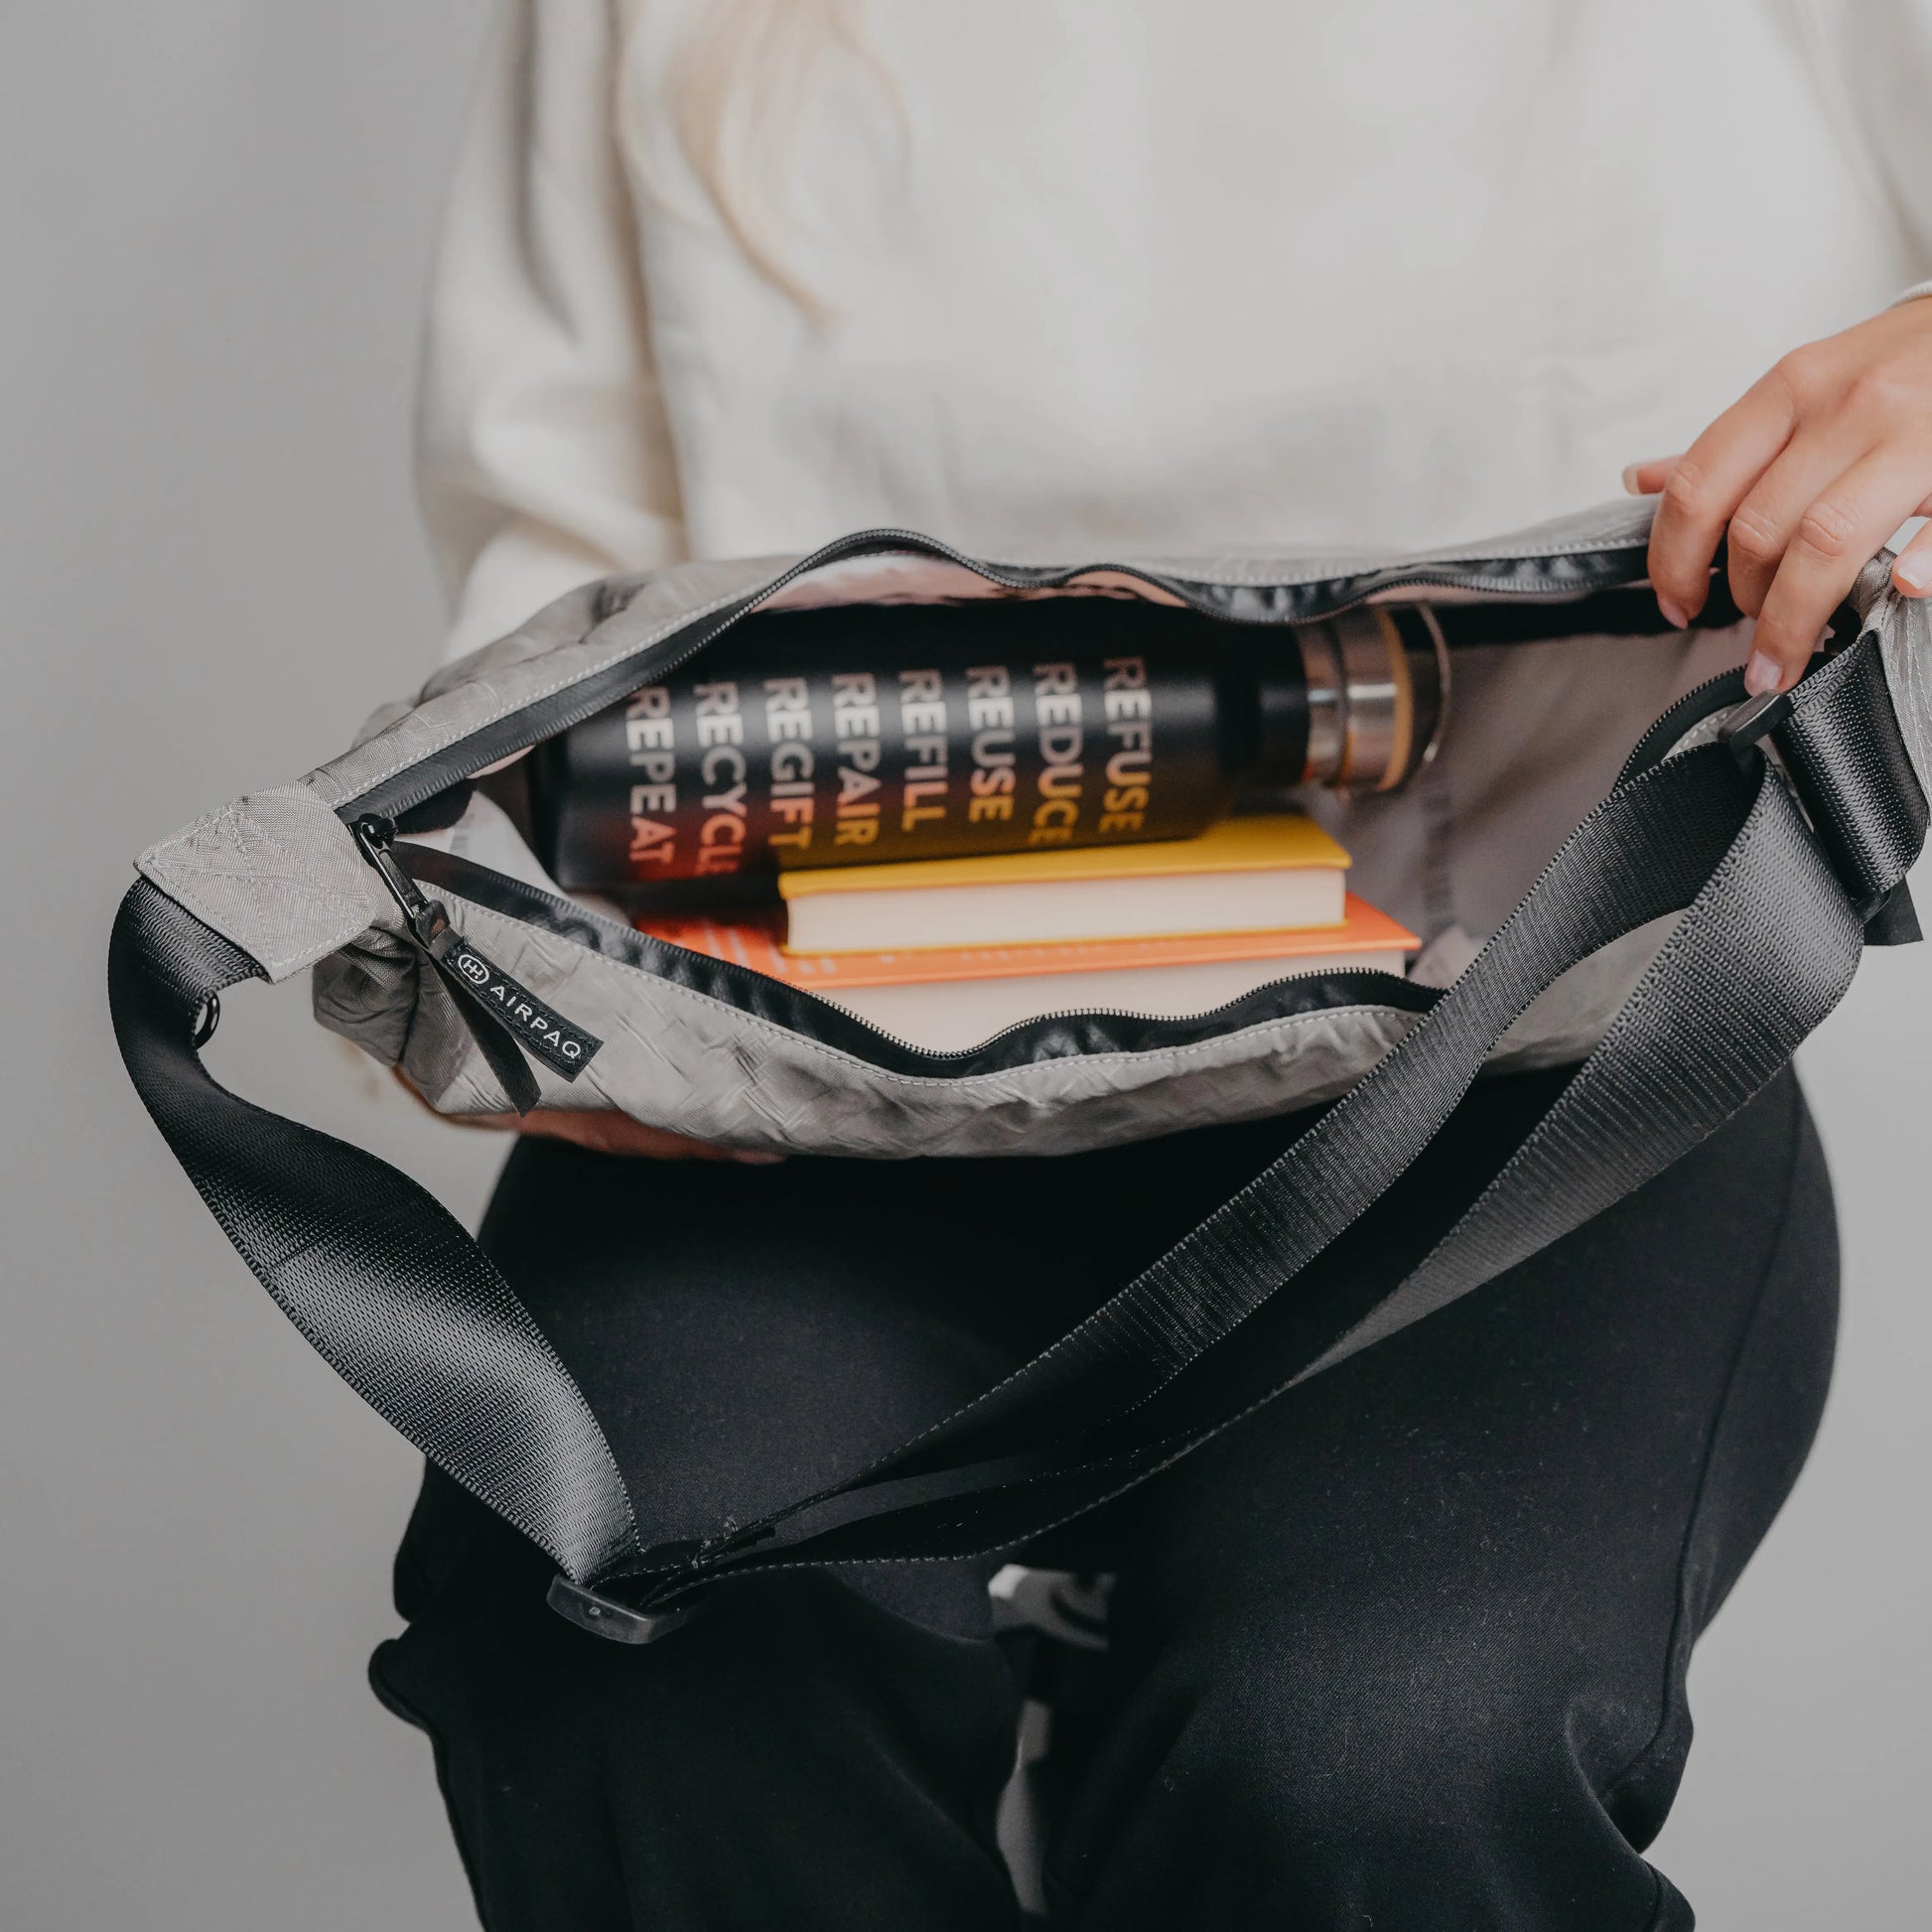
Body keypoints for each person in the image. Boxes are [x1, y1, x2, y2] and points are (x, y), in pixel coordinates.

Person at [368, 6, 1932, 1927]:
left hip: (1541, 1051)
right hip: (815, 1058)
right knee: (640, 1650)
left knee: (1375, 1761)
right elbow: (556, 563)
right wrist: (534, 934)